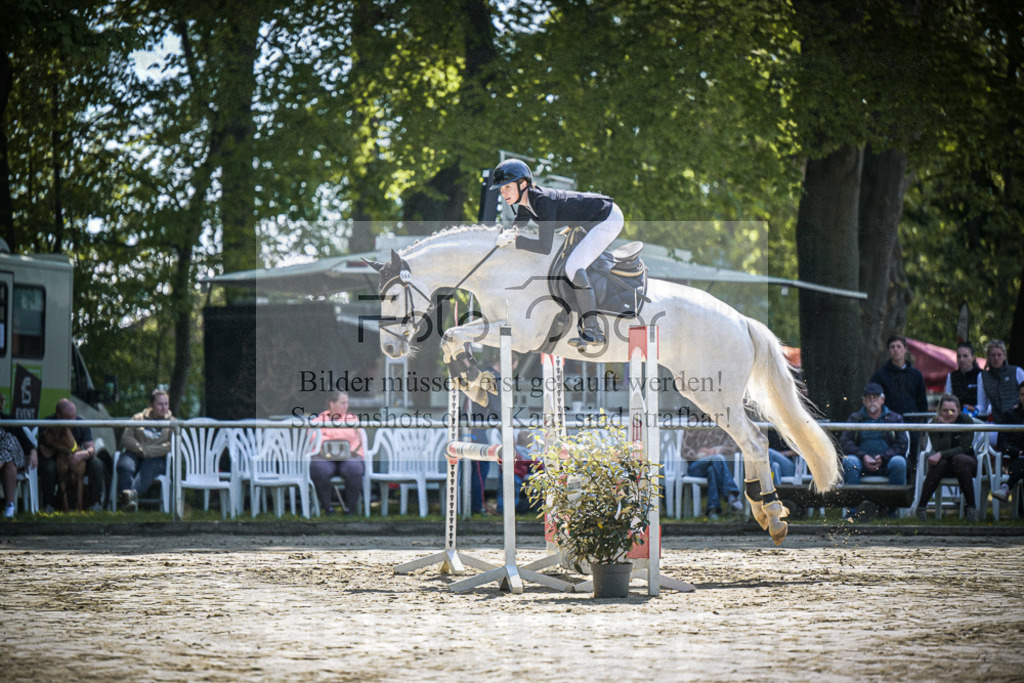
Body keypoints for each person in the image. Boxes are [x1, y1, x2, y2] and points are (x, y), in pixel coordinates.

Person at [490, 158, 625, 348]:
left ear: (523, 184)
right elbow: (516, 227)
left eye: (507, 188)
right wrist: (506, 236)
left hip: (608, 218)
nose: (503, 193)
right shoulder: (526, 203)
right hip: (590, 220)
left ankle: (593, 329)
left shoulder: (542, 202)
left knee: (573, 267)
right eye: (501, 189)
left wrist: (515, 241)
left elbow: (544, 247)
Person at [914, 394, 978, 520]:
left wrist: (942, 454)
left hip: (966, 464)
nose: (948, 414)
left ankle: (971, 508)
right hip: (944, 464)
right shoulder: (934, 424)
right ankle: (921, 508)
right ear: (939, 411)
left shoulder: (967, 421)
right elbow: (938, 448)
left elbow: (964, 448)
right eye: (944, 410)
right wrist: (947, 429)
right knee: (939, 464)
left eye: (952, 411)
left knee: (959, 459)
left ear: (958, 410)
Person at [37, 398, 105, 512]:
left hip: (77, 456)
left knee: (97, 464)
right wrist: (61, 449)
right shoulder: (47, 423)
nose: (73, 420)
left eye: (74, 416)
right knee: (48, 467)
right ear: (58, 416)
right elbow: (45, 452)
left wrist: (81, 455)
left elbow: (91, 449)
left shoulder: (81, 422)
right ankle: (49, 505)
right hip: (54, 458)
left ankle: (95, 504)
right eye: (69, 418)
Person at [870, 335, 928, 467]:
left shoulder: (916, 375)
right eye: (892, 347)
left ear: (905, 349)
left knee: (914, 459)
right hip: (889, 425)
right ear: (889, 350)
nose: (895, 350)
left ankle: (913, 485)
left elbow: (922, 402)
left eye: (898, 346)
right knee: (892, 457)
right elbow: (873, 398)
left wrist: (923, 426)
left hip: (913, 425)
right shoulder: (880, 375)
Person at [840, 383, 909, 487]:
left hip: (887, 462)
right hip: (861, 463)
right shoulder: (855, 418)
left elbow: (902, 443)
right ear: (863, 401)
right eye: (869, 397)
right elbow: (845, 442)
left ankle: (895, 502)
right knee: (849, 461)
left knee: (899, 462)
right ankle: (853, 502)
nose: (872, 400)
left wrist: (884, 457)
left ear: (882, 399)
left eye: (875, 397)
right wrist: (863, 456)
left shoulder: (894, 419)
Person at [116, 389, 173, 512]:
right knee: (124, 465)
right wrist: (141, 450)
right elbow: (126, 438)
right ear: (151, 405)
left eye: (166, 404)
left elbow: (171, 445)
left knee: (148, 469)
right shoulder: (138, 418)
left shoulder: (172, 423)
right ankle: (127, 502)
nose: (164, 408)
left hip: (157, 458)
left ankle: (128, 498)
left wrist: (149, 451)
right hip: (135, 453)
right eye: (160, 404)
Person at [310, 391, 364, 515]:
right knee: (318, 468)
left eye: (347, 403)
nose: (346, 406)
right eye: (342, 403)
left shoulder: (352, 418)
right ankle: (328, 509)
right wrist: (340, 435)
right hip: (325, 457)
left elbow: (351, 436)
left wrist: (329, 435)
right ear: (332, 404)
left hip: (349, 456)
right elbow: (314, 438)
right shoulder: (319, 419)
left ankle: (351, 510)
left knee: (354, 468)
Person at [679, 426, 745, 520]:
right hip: (696, 466)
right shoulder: (694, 421)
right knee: (718, 458)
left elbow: (736, 445)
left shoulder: (722, 422)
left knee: (712, 470)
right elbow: (684, 450)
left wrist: (719, 449)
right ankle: (731, 495)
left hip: (715, 466)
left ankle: (713, 509)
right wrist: (699, 454)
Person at [1, 396, 38, 518]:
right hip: (9, 461)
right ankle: (9, 506)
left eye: (2, 402)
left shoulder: (9, 420)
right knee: (9, 461)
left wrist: (33, 451)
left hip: (16, 456)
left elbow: (25, 440)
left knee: (9, 441)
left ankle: (10, 506)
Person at [978, 340, 1024, 425]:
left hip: (1019, 422)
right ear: (988, 356)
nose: (996, 358)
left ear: (1004, 356)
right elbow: (982, 405)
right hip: (998, 423)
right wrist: (974, 410)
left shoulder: (1017, 371)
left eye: (999, 355)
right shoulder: (982, 376)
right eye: (993, 355)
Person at [992, 381, 1024, 504]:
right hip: (1016, 459)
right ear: (1019, 396)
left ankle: (1006, 487)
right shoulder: (1010, 415)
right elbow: (1002, 444)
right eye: (1022, 394)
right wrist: (1018, 452)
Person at [944, 341, 984, 416]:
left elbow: (984, 404)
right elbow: (948, 400)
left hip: (978, 417)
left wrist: (975, 409)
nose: (961, 359)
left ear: (973, 357)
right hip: (957, 417)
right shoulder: (952, 376)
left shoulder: (981, 375)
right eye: (959, 356)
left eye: (965, 356)